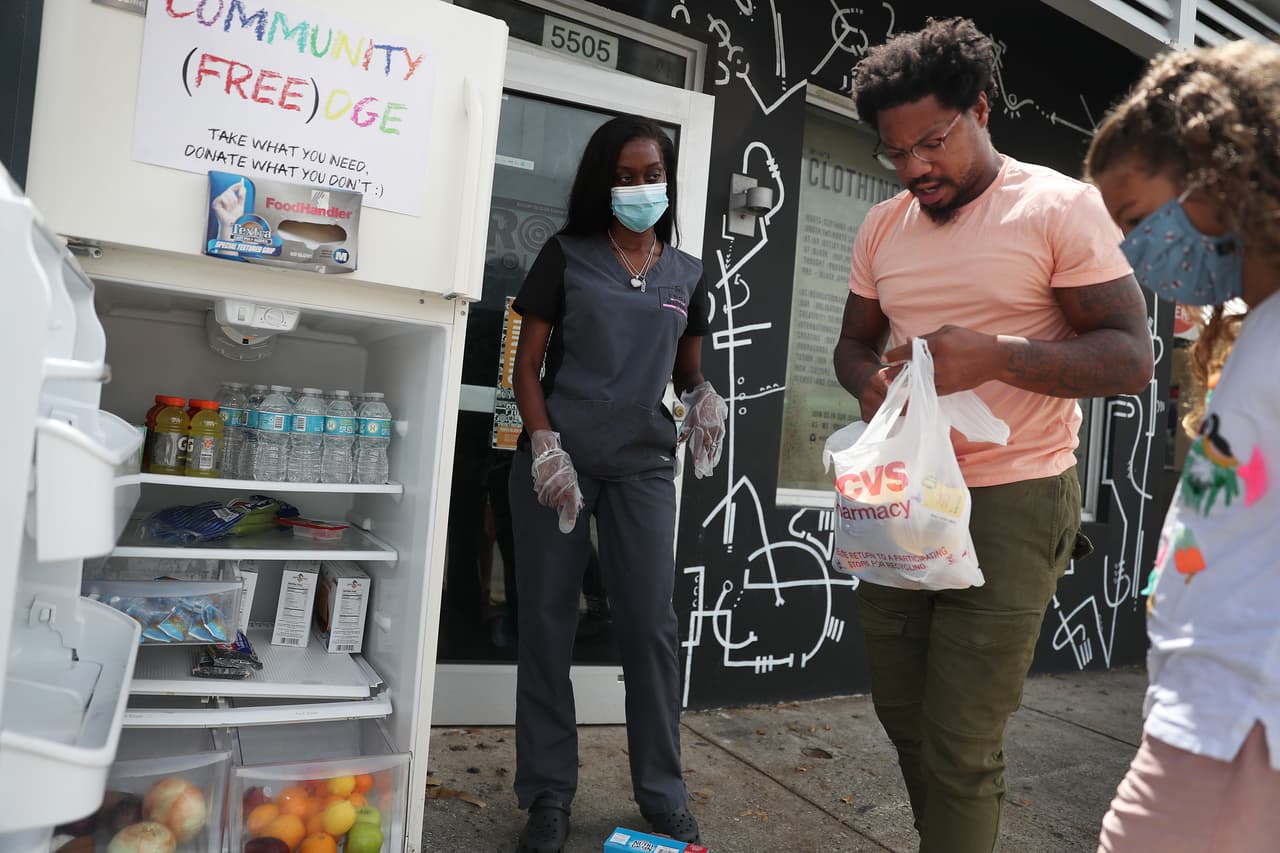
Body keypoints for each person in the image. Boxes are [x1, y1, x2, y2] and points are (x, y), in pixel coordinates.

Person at [831, 17, 1154, 853]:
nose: (914, 168)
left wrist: (998, 355)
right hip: (904, 492)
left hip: (1015, 495)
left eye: (931, 143)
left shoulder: (1058, 207)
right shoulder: (882, 227)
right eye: (896, 153)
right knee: (904, 713)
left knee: (962, 744)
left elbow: (1130, 359)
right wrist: (868, 383)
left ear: (980, 110)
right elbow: (853, 344)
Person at [507, 114, 728, 853]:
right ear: (604, 183)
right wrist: (544, 445)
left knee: (650, 627)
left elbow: (687, 371)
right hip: (559, 463)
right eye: (625, 176)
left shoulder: (687, 273)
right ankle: (547, 796)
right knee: (547, 622)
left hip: (642, 464)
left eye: (651, 175)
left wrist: (704, 399)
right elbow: (526, 368)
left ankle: (663, 795)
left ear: (668, 180)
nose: (639, 188)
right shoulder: (566, 255)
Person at [1084, 40, 1280, 853]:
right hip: (1212, 716)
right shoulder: (1259, 330)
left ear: (1219, 169)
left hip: (1238, 725)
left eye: (1138, 218)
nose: (1135, 247)